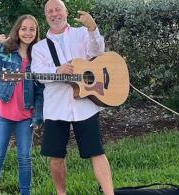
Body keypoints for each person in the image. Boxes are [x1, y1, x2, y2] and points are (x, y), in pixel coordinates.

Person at [30, 0, 114, 195]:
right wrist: (57, 70)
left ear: (66, 12)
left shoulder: (82, 33)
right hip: (56, 108)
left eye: (58, 9)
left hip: (86, 105)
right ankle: (61, 193)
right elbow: (38, 74)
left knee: (97, 152)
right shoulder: (40, 47)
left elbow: (97, 53)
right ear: (46, 16)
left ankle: (109, 193)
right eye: (49, 11)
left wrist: (93, 28)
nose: (54, 14)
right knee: (56, 156)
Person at [0, 14, 44, 195]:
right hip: (3, 115)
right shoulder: (6, 50)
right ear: (17, 30)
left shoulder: (39, 56)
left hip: (25, 117)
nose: (28, 33)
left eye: (32, 29)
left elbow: (40, 91)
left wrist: (38, 115)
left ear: (36, 32)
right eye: (24, 29)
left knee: (25, 158)